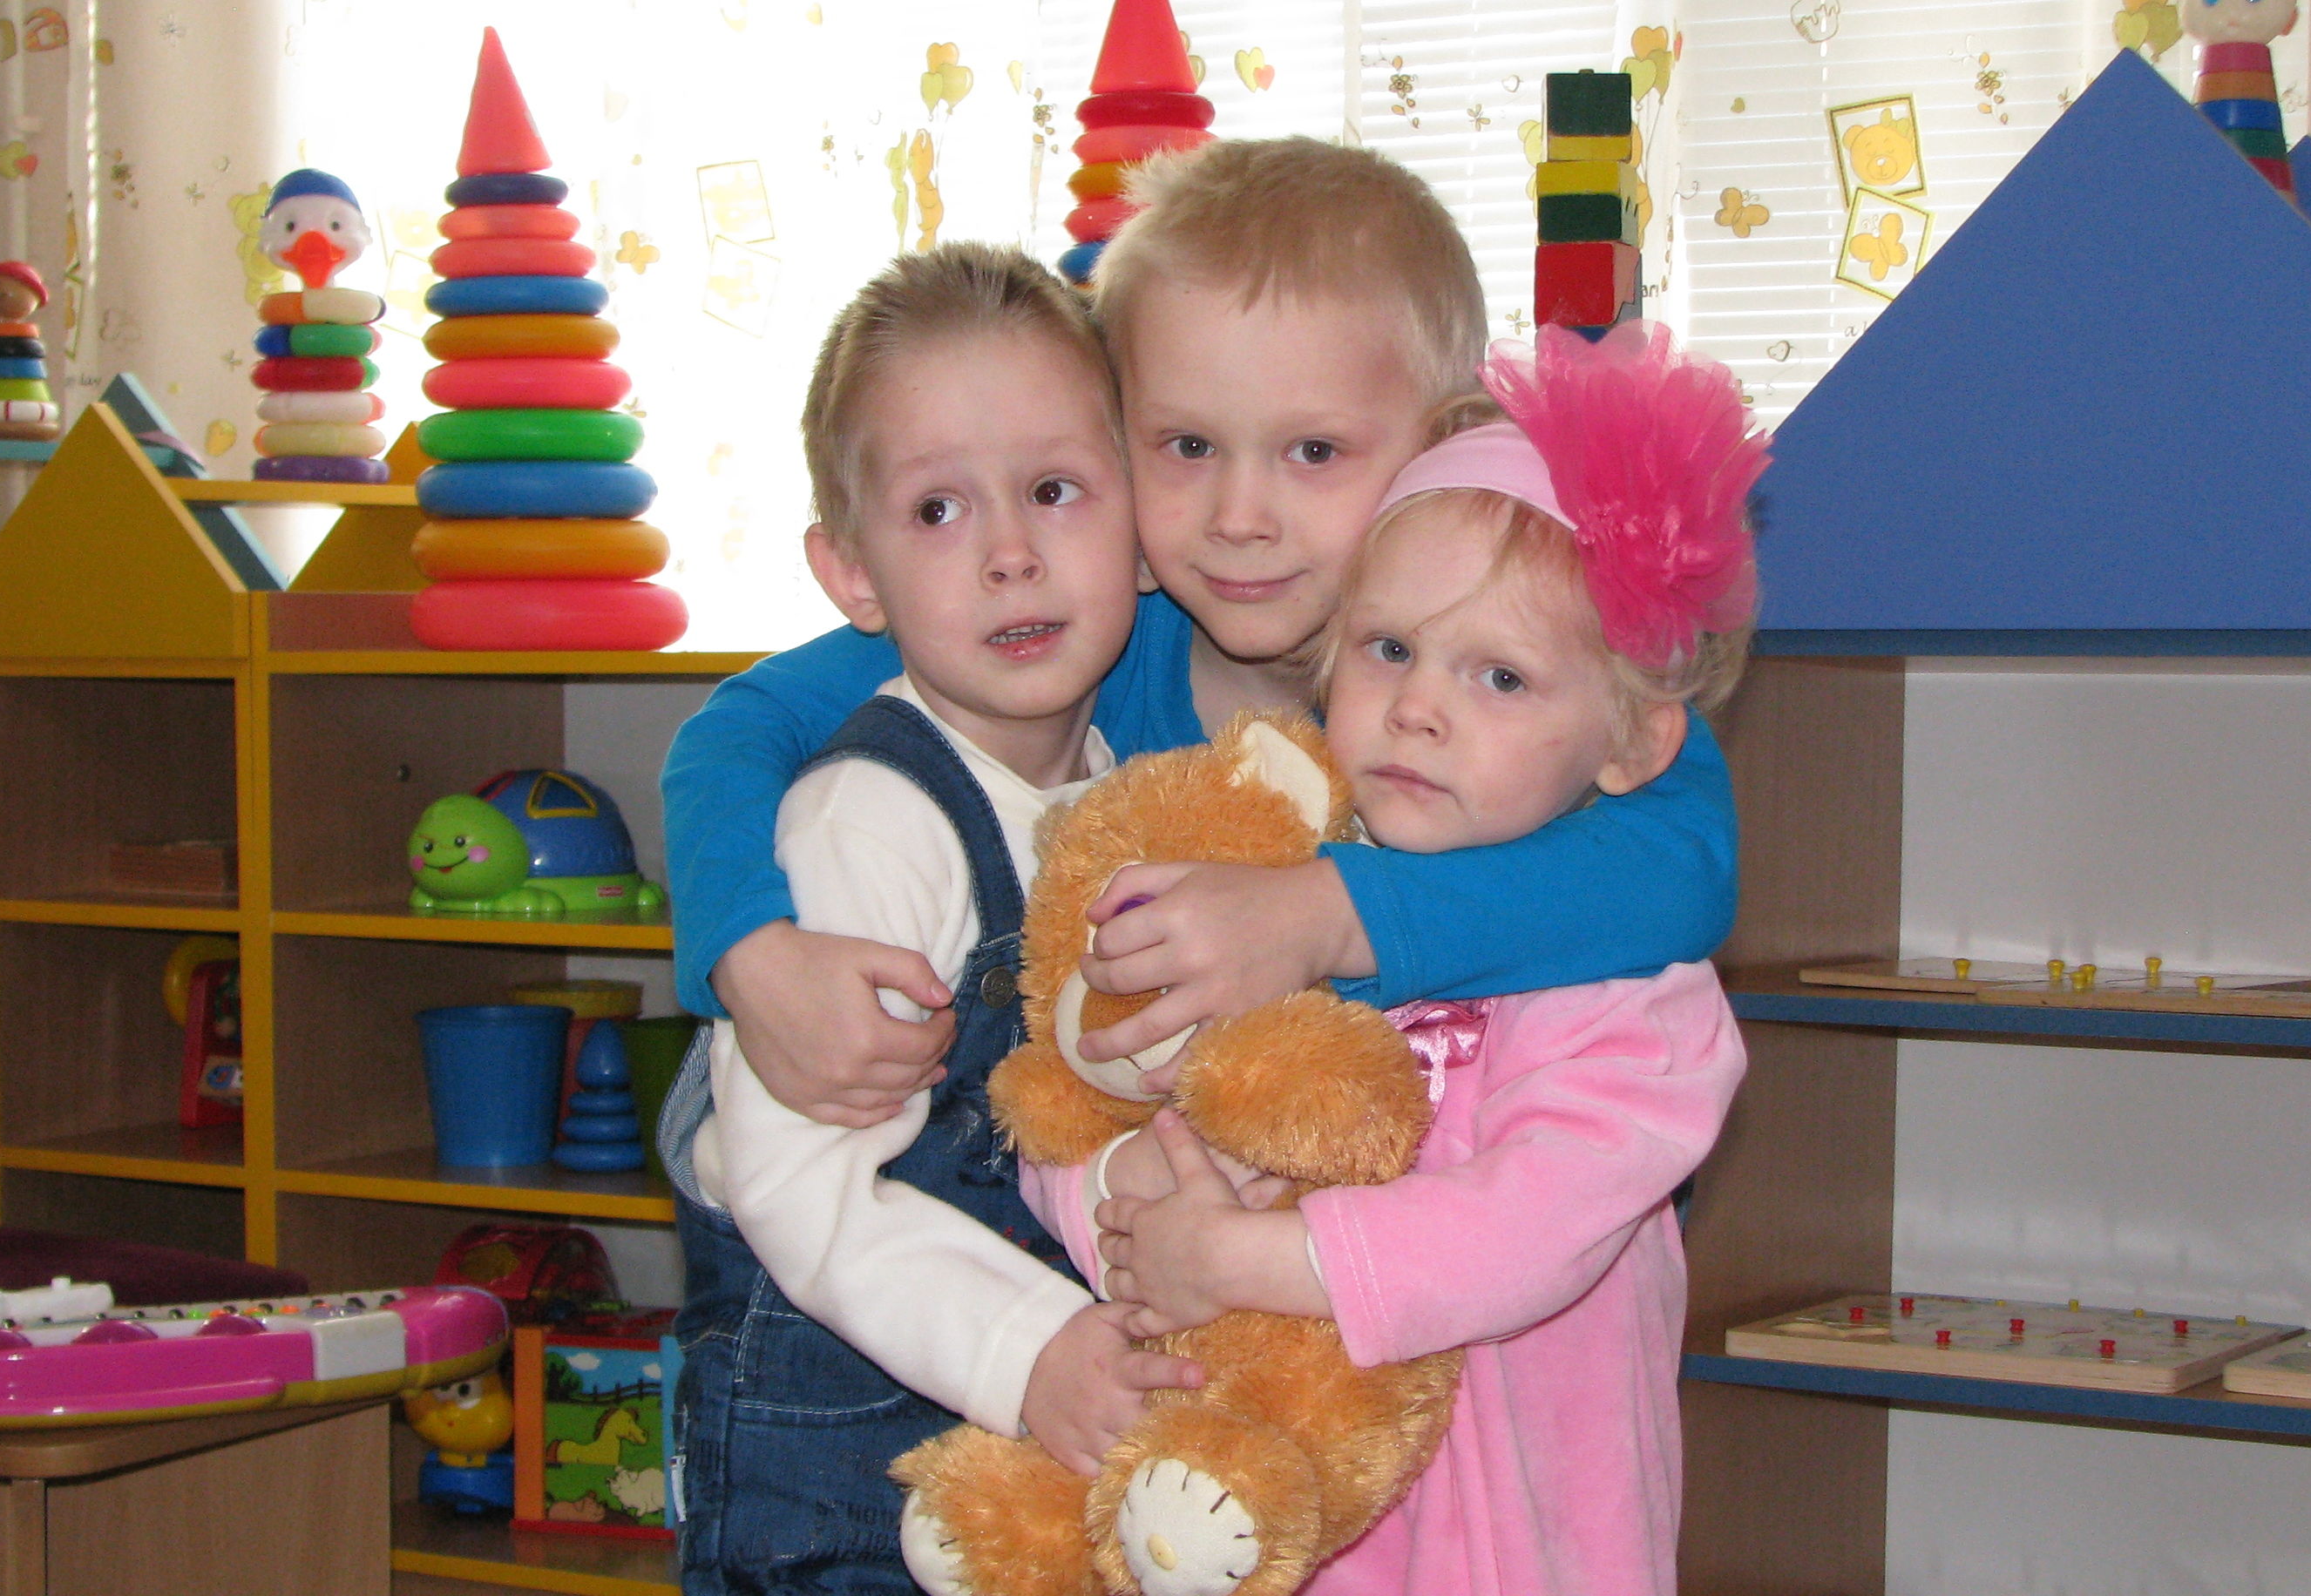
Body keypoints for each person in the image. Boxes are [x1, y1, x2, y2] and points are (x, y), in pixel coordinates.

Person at [659, 138, 1738, 1144]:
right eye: (1185, 445)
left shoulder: (1498, 669)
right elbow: (741, 728)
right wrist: (751, 954)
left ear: (1442, 443)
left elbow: (1680, 861)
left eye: (1313, 451)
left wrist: (1329, 915)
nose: (1239, 516)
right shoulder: (1083, 629)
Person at [1047, 322, 1762, 1596]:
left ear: (1632, 743)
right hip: (1273, 1520)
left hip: (1526, 1554)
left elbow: (1527, 1232)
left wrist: (1246, 1259)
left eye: (1501, 677)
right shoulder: (1270, 893)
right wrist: (1132, 1198)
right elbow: (1089, 1091)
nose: (1421, 707)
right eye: (1389, 651)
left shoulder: (1631, 997)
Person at [657, 245, 1202, 1594]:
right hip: (841, 1483)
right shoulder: (869, 820)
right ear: (853, 574)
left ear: (1141, 523)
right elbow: (799, 1186)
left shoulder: (1115, 800)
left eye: (1055, 491)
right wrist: (1031, 1351)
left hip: (1025, 1462)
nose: (1011, 553)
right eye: (938, 510)